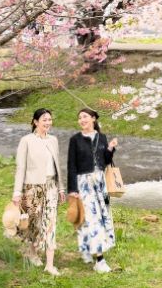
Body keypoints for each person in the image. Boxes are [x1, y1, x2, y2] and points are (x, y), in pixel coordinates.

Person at [12, 109, 64, 275]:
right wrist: (17, 192)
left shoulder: (54, 140)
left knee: (50, 223)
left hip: (51, 187)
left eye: (50, 119)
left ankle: (49, 265)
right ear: (35, 122)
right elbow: (21, 167)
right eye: (44, 120)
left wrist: (61, 187)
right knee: (33, 224)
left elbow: (58, 166)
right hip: (32, 187)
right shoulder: (26, 140)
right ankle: (32, 253)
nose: (48, 123)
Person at [67, 108, 119, 273]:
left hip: (100, 183)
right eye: (80, 117)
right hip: (84, 184)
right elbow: (71, 165)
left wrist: (110, 149)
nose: (82, 120)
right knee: (90, 218)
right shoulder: (75, 140)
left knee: (102, 217)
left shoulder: (101, 137)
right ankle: (100, 260)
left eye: (85, 117)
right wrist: (72, 189)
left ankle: (86, 248)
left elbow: (105, 161)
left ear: (93, 119)